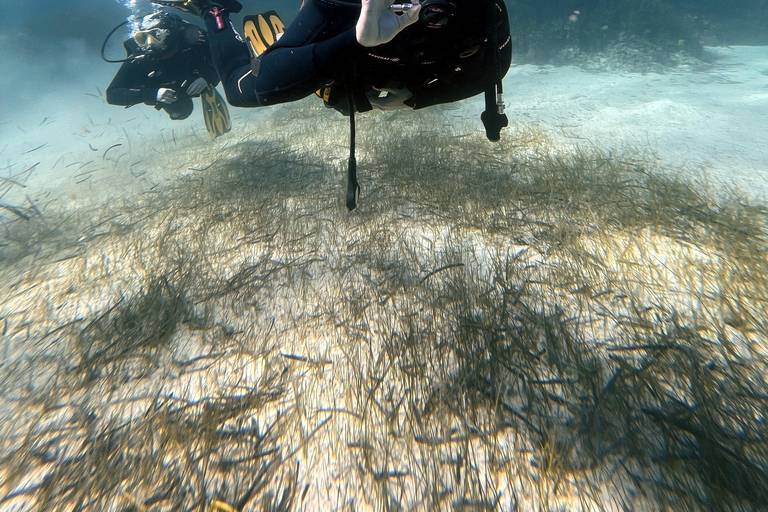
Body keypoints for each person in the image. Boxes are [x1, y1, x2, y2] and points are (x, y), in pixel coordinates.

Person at [153, 0, 512, 208]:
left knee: (349, 98)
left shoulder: (478, 8)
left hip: (405, 75)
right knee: (243, 89)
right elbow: (260, 87)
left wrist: (419, 99)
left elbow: (494, 66)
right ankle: (213, 10)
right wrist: (355, 41)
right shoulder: (336, 4)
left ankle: (301, 55)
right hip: (345, 48)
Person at [106, 11, 221, 121]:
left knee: (183, 110)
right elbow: (112, 95)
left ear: (171, 35)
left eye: (156, 35)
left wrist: (209, 77)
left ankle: (204, 91)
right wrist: (153, 94)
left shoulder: (194, 45)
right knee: (181, 113)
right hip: (166, 93)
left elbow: (227, 58)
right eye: (143, 38)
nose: (150, 44)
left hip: (190, 81)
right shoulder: (140, 58)